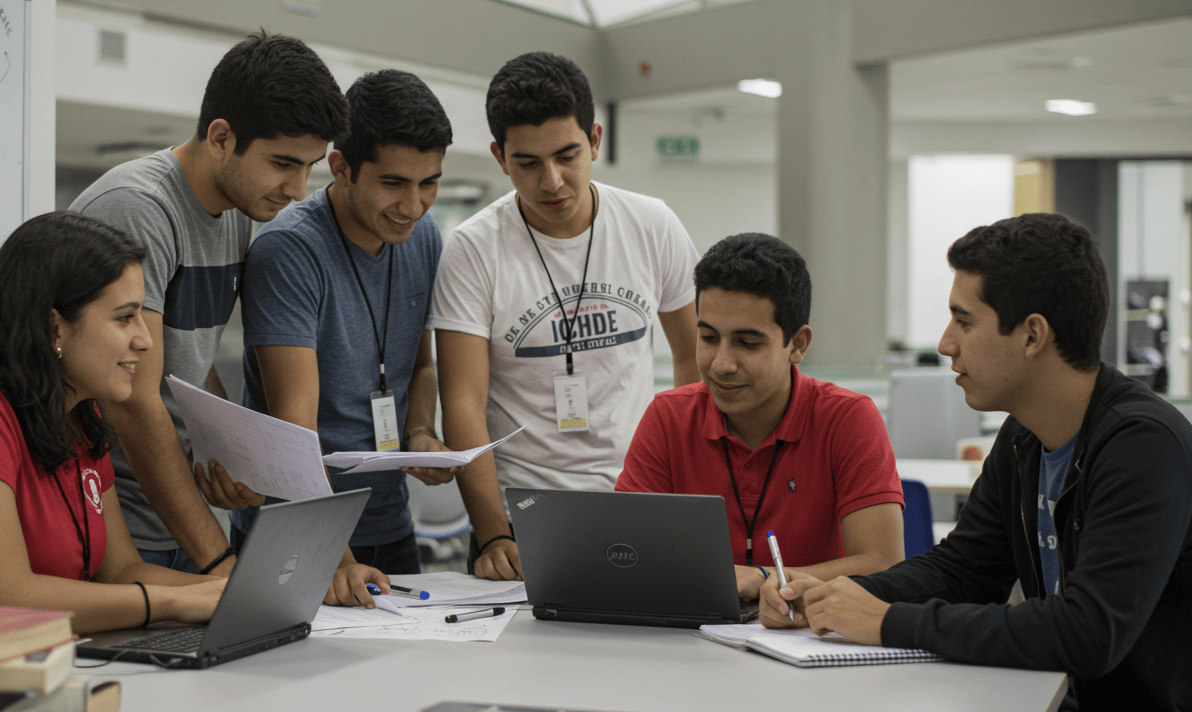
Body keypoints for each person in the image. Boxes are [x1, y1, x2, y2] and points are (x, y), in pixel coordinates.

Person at [772, 213, 1192, 711]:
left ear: (1033, 336)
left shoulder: (1143, 444)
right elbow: (963, 571)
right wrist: (833, 597)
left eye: (964, 321)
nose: (946, 343)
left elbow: (1088, 632)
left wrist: (884, 620)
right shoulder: (1025, 437)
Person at [69, 31, 349, 575]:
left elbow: (186, 364)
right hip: (115, 528)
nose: (297, 188)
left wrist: (227, 452)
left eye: (310, 166)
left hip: (176, 518)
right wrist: (218, 559)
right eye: (283, 164)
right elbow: (134, 403)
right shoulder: (138, 208)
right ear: (221, 137)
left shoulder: (241, 210)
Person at [0, 213, 226, 634]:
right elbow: (2, 598)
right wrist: (174, 601)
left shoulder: (79, 412)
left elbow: (120, 571)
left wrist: (232, 594)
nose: (145, 340)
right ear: (54, 327)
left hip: (34, 662)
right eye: (125, 317)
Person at [432, 51, 702, 580]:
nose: (552, 181)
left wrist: (681, 488)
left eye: (567, 155)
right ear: (499, 157)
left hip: (641, 499)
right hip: (523, 517)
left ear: (595, 140)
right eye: (527, 164)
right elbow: (463, 401)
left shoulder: (651, 224)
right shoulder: (473, 249)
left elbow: (695, 361)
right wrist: (492, 532)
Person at [200, 70, 456, 608]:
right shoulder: (289, 250)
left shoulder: (423, 238)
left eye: (428, 183)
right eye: (393, 183)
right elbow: (295, 424)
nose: (413, 206)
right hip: (298, 527)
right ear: (340, 167)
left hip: (389, 520)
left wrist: (419, 433)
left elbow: (421, 366)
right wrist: (334, 557)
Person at [615, 232, 904, 606]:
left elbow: (883, 564)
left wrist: (761, 580)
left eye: (747, 344)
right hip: (691, 642)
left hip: (810, 639)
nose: (722, 363)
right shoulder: (668, 417)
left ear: (797, 344)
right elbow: (627, 555)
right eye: (708, 338)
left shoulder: (847, 419)